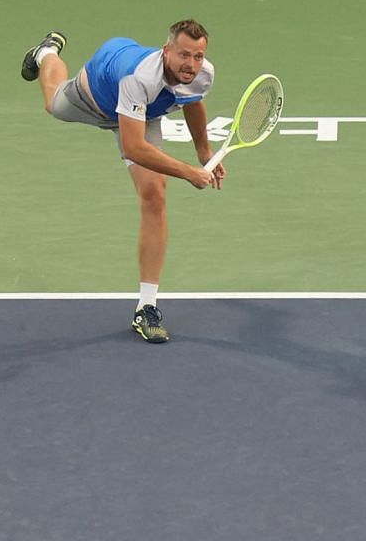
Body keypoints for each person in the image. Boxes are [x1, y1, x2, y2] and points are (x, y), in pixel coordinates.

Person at [20, 21, 222, 343]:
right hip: (95, 96)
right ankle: (46, 53)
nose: (192, 64)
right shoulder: (138, 78)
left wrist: (203, 150)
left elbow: (192, 102)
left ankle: (147, 307)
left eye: (198, 56)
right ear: (166, 50)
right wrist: (188, 172)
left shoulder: (202, 72)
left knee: (154, 194)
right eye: (184, 55)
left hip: (143, 112)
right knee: (54, 102)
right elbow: (134, 147)